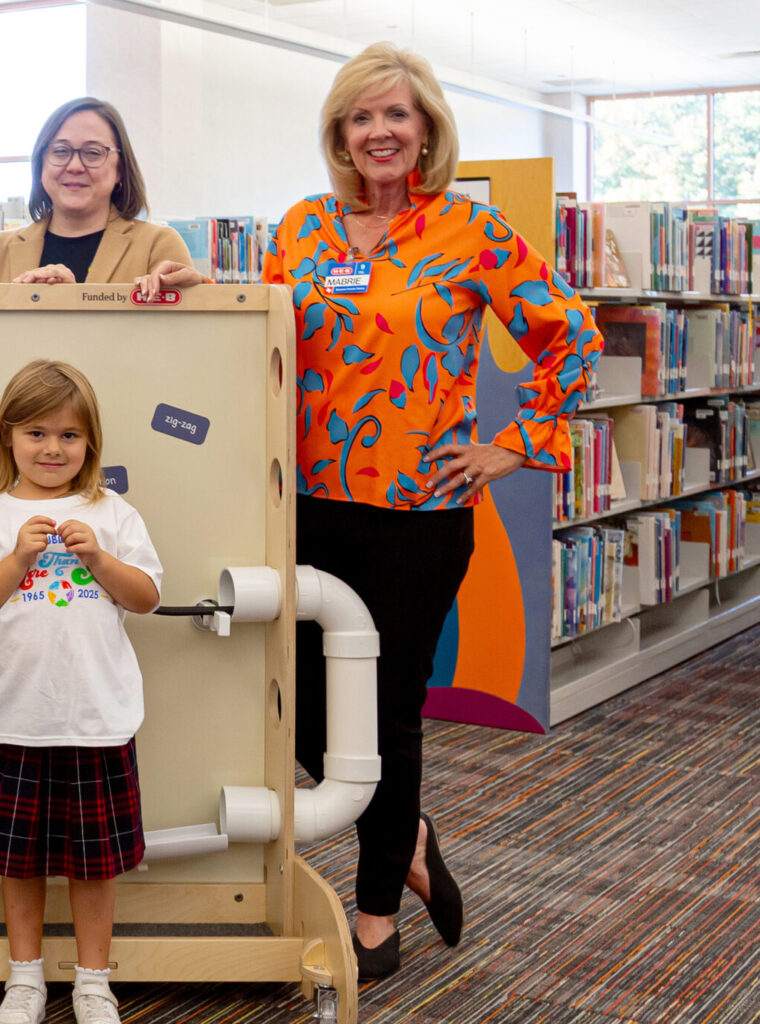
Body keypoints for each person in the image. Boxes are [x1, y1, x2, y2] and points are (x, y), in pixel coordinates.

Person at [262, 42, 600, 979]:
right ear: (340, 133)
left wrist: (516, 441)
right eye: (362, 117)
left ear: (426, 131)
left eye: (396, 115)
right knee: (309, 719)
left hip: (418, 514)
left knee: (392, 710)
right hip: (305, 505)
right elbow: (252, 333)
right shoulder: (298, 231)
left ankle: (375, 913)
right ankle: (406, 832)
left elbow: (569, 334)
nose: (379, 132)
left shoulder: (471, 233)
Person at [0, 359, 163, 1024]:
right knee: (20, 863)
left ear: (90, 445)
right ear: (7, 437)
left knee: (95, 865)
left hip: (96, 718)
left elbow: (148, 597)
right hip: (16, 719)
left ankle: (94, 982)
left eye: (69, 436)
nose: (51, 448)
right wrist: (16, 559)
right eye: (36, 433)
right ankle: (25, 980)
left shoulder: (112, 512)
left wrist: (98, 558)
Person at [0, 97, 201, 296]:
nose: (75, 166)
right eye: (60, 151)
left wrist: (75, 301)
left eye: (92, 152)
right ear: (40, 165)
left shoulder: (158, 246)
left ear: (120, 169)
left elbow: (174, 343)